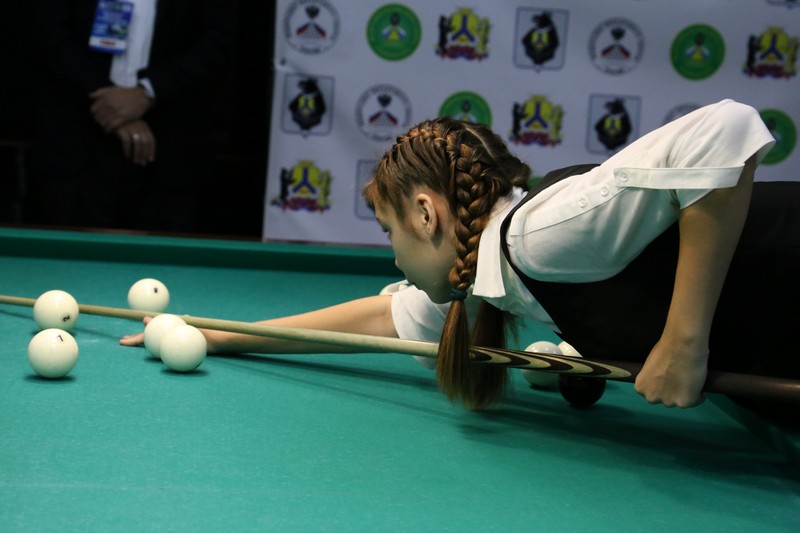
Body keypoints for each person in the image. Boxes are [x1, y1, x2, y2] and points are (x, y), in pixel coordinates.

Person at [122, 99, 799, 413]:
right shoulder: (482, 277)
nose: (394, 258)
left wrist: (684, 342)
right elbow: (380, 320)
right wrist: (212, 333)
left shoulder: (537, 236)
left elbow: (728, 127)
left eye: (389, 231)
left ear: (426, 215)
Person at [29, 0, 237, 232]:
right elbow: (48, 30)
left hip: (169, 148)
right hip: (77, 144)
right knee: (73, 251)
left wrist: (148, 92)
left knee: (158, 254)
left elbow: (219, 42)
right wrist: (109, 103)